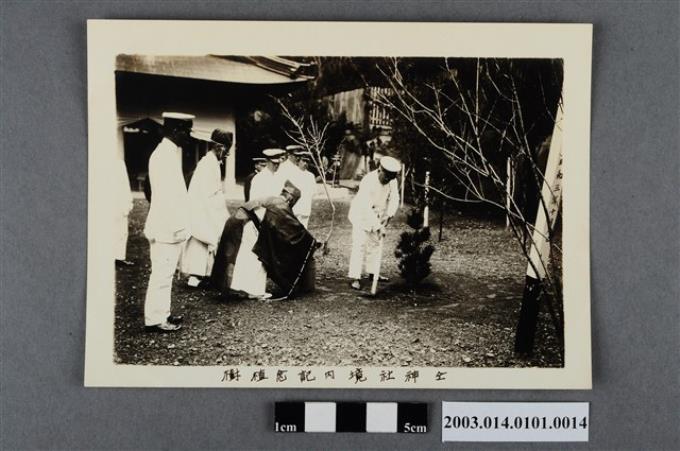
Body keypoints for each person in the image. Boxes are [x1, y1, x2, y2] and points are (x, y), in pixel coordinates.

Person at [211, 181, 318, 299]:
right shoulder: (280, 204)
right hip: (245, 224)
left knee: (241, 258)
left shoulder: (272, 200)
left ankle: (239, 287)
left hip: (236, 221)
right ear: (290, 199)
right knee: (259, 256)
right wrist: (310, 240)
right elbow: (293, 228)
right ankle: (255, 292)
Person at [142, 112, 194, 332]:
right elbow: (164, 196)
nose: (188, 136)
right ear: (174, 131)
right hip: (166, 227)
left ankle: (162, 313)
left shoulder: (168, 153)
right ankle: (155, 319)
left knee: (166, 273)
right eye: (185, 131)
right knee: (161, 274)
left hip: (167, 226)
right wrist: (176, 226)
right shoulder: (163, 155)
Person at [229, 148, 285, 298]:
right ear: (267, 162)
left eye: (279, 163)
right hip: (257, 219)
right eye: (274, 163)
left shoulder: (276, 178)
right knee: (253, 254)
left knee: (256, 254)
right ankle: (251, 290)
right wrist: (261, 221)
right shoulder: (259, 178)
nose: (277, 165)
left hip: (269, 219)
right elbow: (255, 202)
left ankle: (250, 288)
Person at [180, 129, 233, 288]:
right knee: (201, 240)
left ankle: (205, 275)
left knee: (209, 241)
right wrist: (215, 212)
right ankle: (195, 277)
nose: (226, 155)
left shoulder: (213, 163)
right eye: (226, 150)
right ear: (219, 148)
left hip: (208, 207)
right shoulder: (207, 164)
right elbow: (206, 193)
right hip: (201, 208)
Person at [347, 155, 401, 290]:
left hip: (377, 214)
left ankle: (373, 273)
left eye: (391, 177)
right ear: (380, 169)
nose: (387, 180)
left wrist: (388, 216)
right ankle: (355, 277)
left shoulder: (392, 181)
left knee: (375, 244)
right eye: (386, 176)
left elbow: (395, 198)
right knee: (359, 244)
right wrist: (378, 226)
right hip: (360, 214)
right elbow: (365, 206)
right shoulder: (368, 180)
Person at [114, 157, 134, 267]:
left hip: (118, 203)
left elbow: (124, 186)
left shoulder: (119, 164)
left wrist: (127, 203)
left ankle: (119, 256)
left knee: (121, 230)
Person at [293, 151, 317, 228]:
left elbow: (313, 191)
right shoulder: (292, 174)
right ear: (298, 161)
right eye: (303, 161)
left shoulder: (310, 176)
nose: (305, 163)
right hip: (295, 207)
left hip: (305, 206)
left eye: (307, 161)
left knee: (304, 229)